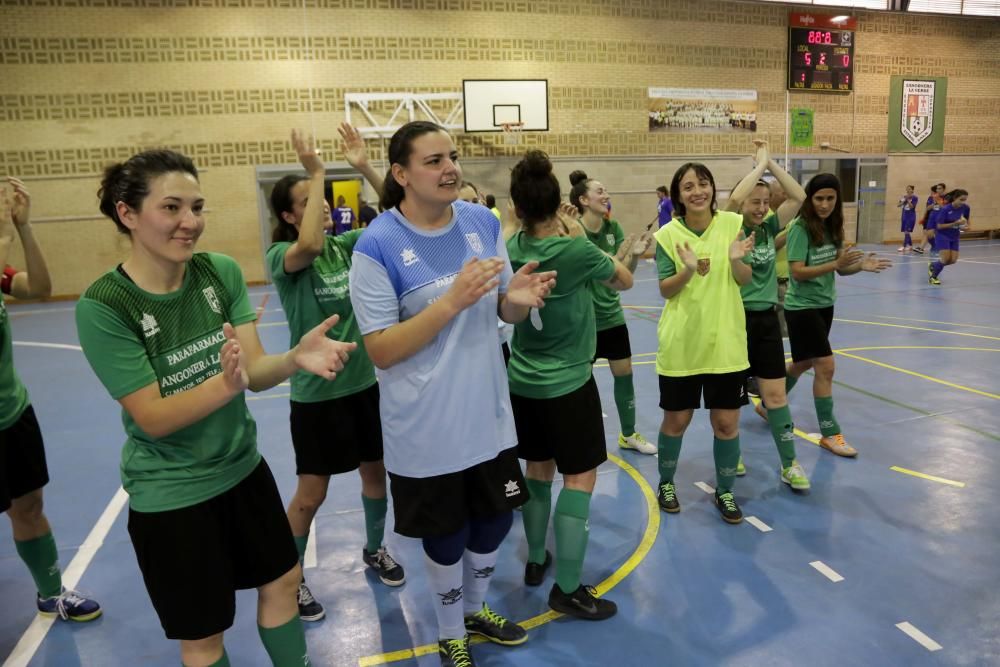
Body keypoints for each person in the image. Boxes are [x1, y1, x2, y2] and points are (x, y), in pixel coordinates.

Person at [77, 149, 355, 666]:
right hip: (173, 495)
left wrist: (294, 358)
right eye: (172, 208)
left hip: (242, 469)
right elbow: (154, 418)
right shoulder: (105, 305)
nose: (190, 223)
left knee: (283, 580)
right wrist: (228, 385)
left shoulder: (218, 272)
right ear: (127, 214)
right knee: (204, 634)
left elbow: (252, 370)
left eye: (198, 207)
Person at [348, 121, 555, 667]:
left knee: (493, 521)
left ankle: (476, 608)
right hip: (425, 424)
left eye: (453, 156)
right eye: (434, 160)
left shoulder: (481, 222)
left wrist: (519, 298)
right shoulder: (377, 246)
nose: (450, 168)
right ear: (401, 174)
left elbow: (501, 309)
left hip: (487, 412)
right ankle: (448, 631)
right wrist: (451, 302)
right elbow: (381, 350)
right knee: (446, 533)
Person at [267, 131, 405, 623]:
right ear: (287, 215)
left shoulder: (347, 247)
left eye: (322, 201)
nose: (321, 206)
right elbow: (306, 242)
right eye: (307, 203)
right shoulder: (283, 261)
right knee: (312, 493)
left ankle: (374, 548)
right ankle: (291, 577)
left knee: (376, 473)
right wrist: (317, 170)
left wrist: (367, 167)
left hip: (363, 388)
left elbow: (394, 215)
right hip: (317, 396)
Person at [507, 150, 632, 620]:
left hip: (522, 381)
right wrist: (578, 232)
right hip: (568, 384)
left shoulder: (510, 249)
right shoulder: (575, 251)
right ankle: (568, 588)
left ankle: (537, 559)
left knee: (537, 471)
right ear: (560, 203)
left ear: (518, 208)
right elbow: (622, 280)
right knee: (578, 479)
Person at [1, 178, 103, 623]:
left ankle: (50, 593)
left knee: (29, 506)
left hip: (11, 414)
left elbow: (39, 286)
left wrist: (24, 229)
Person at [653, 163, 755, 524]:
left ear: (713, 187)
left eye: (704, 183)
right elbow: (666, 289)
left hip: (726, 346)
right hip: (682, 345)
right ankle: (666, 482)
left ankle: (725, 492)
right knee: (676, 421)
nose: (698, 191)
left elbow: (743, 278)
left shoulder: (731, 224)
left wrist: (736, 260)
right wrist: (687, 270)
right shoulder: (667, 235)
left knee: (726, 424)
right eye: (688, 186)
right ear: (678, 196)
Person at [782, 174, 892, 458]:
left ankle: (770, 402)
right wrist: (835, 263)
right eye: (819, 198)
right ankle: (830, 433)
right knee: (826, 366)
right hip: (801, 307)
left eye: (830, 198)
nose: (825, 204)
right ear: (810, 199)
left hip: (824, 304)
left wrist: (861, 266)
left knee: (804, 362)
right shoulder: (800, 228)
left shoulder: (834, 226)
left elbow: (841, 268)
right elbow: (797, 271)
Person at [723, 141, 810, 490]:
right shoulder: (729, 228)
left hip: (766, 323)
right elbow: (730, 201)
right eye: (754, 202)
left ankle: (790, 464)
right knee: (730, 400)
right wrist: (757, 168)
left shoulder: (771, 228)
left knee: (775, 397)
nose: (761, 207)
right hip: (734, 323)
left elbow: (798, 197)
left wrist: (771, 164)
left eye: (764, 202)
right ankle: (731, 453)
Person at [569, 174, 655, 455]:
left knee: (625, 372)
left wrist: (634, 255)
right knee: (581, 380)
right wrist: (616, 256)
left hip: (611, 315)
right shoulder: (573, 230)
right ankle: (580, 435)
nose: (606, 195)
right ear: (583, 200)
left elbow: (623, 273)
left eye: (606, 191)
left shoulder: (613, 226)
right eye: (599, 191)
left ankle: (628, 434)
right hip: (584, 319)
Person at [928, 189, 970, 285]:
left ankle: (934, 265)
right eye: (961, 199)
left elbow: (966, 220)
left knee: (953, 260)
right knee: (945, 259)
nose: (963, 202)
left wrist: (966, 226)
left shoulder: (966, 208)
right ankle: (933, 277)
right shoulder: (945, 209)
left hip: (955, 235)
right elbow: (939, 226)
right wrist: (955, 223)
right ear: (955, 198)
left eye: (965, 200)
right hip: (942, 235)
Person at [897, 185, 918, 253]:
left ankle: (904, 246)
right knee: (906, 232)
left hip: (911, 216)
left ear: (912, 190)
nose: (908, 190)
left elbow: (912, 207)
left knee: (907, 231)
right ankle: (911, 246)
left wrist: (908, 200)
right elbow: (898, 205)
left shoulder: (915, 198)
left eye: (909, 189)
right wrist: (904, 201)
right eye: (907, 189)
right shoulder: (904, 197)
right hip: (904, 215)